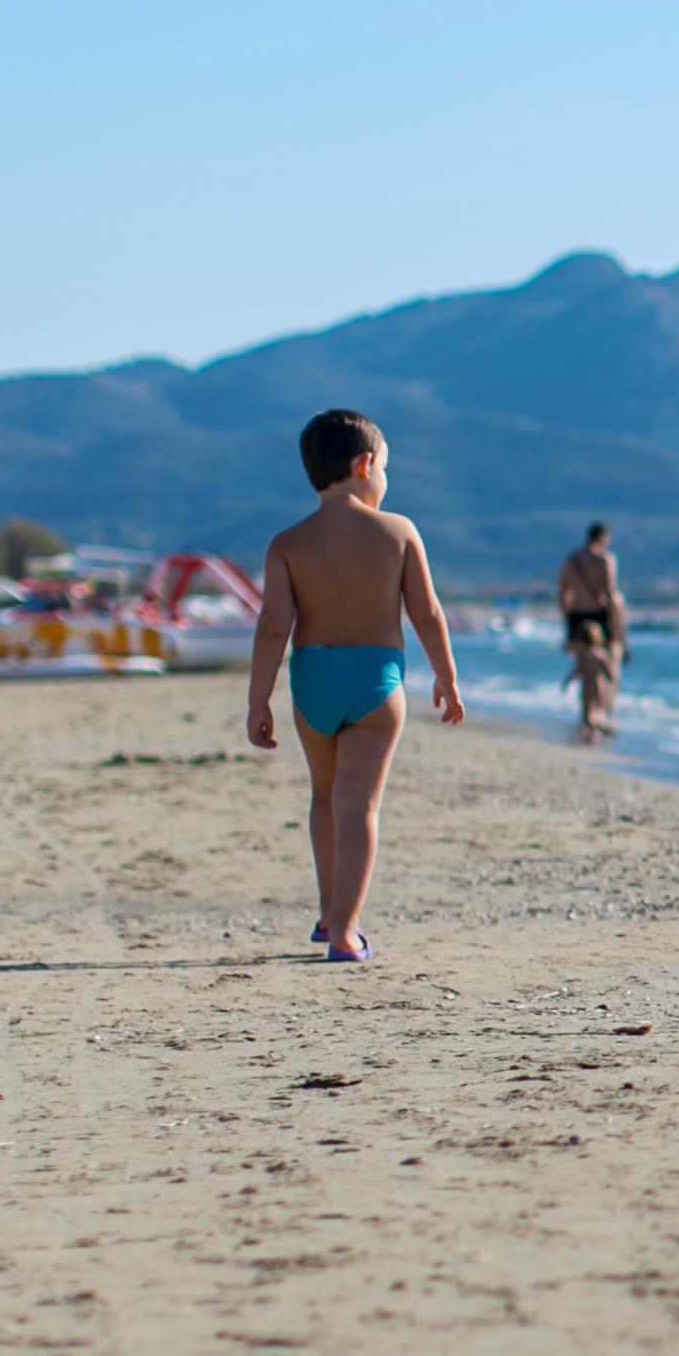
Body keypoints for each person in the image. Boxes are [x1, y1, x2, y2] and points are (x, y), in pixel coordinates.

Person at [246, 408, 465, 963]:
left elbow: (272, 626)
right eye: (385, 468)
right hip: (374, 680)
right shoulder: (397, 531)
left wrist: (258, 699)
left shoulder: (287, 543)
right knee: (359, 807)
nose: (385, 479)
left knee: (324, 796)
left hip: (311, 678)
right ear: (365, 464)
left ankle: (328, 914)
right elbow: (427, 612)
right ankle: (346, 932)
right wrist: (446, 675)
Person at [557, 522, 627, 743]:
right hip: (600, 616)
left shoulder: (571, 561)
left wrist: (569, 624)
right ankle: (604, 714)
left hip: (577, 617)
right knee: (607, 668)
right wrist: (619, 629)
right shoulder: (606, 560)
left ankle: (586, 717)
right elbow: (610, 592)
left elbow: (563, 594)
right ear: (604, 537)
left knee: (585, 667)